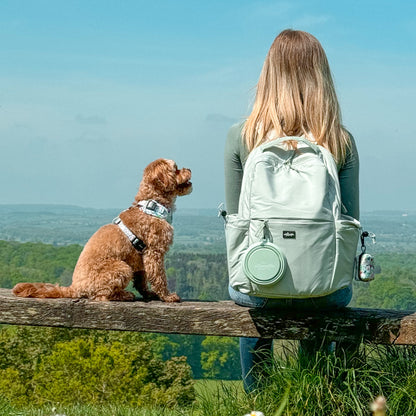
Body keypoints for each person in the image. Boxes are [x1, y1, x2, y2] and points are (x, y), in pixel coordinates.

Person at [224, 29, 359, 392]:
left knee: (252, 289)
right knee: (321, 296)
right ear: (321, 77)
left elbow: (237, 220)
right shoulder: (340, 140)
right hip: (326, 288)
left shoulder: (242, 136)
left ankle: (257, 401)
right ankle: (314, 393)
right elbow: (349, 221)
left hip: (260, 289)